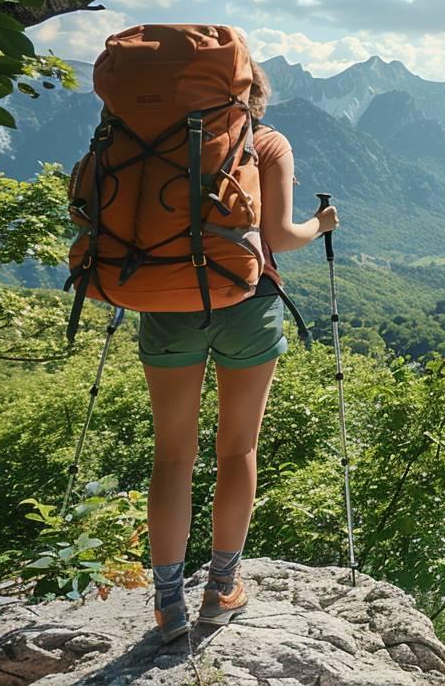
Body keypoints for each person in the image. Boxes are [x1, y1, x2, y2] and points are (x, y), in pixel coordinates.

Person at [138, 56, 339, 641]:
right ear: (252, 94)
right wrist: (321, 223)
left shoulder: (155, 141)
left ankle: (167, 605)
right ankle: (222, 588)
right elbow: (279, 237)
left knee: (172, 456)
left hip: (167, 305)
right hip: (247, 306)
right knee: (237, 449)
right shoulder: (267, 142)